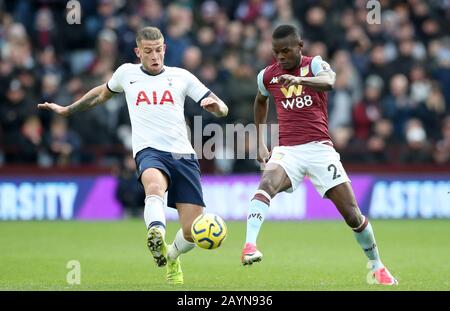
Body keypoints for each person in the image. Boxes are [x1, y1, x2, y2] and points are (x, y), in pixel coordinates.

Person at [38, 26, 229, 285]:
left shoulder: (181, 76)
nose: (154, 56)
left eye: (159, 50)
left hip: (183, 155)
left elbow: (223, 109)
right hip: (149, 151)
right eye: (148, 51)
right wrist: (68, 110)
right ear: (138, 52)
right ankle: (156, 233)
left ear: (165, 49)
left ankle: (171, 255)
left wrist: (217, 107)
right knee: (153, 185)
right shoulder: (126, 74)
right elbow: (100, 94)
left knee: (192, 231)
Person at [241, 25, 398, 286]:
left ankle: (377, 266)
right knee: (266, 184)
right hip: (287, 150)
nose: (280, 57)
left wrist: (300, 80)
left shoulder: (313, 65)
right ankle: (249, 245)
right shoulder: (267, 75)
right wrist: (260, 141)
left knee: (353, 215)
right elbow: (260, 101)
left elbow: (330, 82)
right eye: (276, 52)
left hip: (319, 150)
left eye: (286, 51)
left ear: (299, 46)